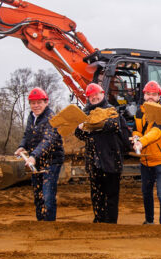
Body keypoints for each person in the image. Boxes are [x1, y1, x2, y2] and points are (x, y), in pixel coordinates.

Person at [74, 83, 127, 223]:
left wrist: (93, 126)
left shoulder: (111, 110)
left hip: (111, 160)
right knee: (97, 194)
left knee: (111, 194)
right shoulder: (85, 113)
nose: (94, 97)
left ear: (103, 94)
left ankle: (110, 222)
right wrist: (82, 128)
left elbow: (113, 125)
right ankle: (98, 220)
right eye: (91, 96)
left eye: (96, 94)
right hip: (94, 161)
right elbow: (79, 134)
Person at [16, 88, 64, 221]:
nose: (36, 106)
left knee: (47, 194)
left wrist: (33, 156)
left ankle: (49, 223)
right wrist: (22, 146)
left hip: (51, 160)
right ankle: (40, 222)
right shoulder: (31, 117)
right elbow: (27, 135)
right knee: (38, 194)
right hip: (36, 160)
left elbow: (48, 140)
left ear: (46, 102)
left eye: (39, 103)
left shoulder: (51, 118)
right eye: (33, 103)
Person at [133, 81, 161, 224]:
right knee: (146, 192)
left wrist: (141, 142)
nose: (150, 97)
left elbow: (156, 132)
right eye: (148, 94)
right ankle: (149, 221)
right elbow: (138, 129)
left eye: (154, 94)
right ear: (144, 95)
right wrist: (136, 136)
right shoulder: (139, 112)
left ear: (158, 96)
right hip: (146, 160)